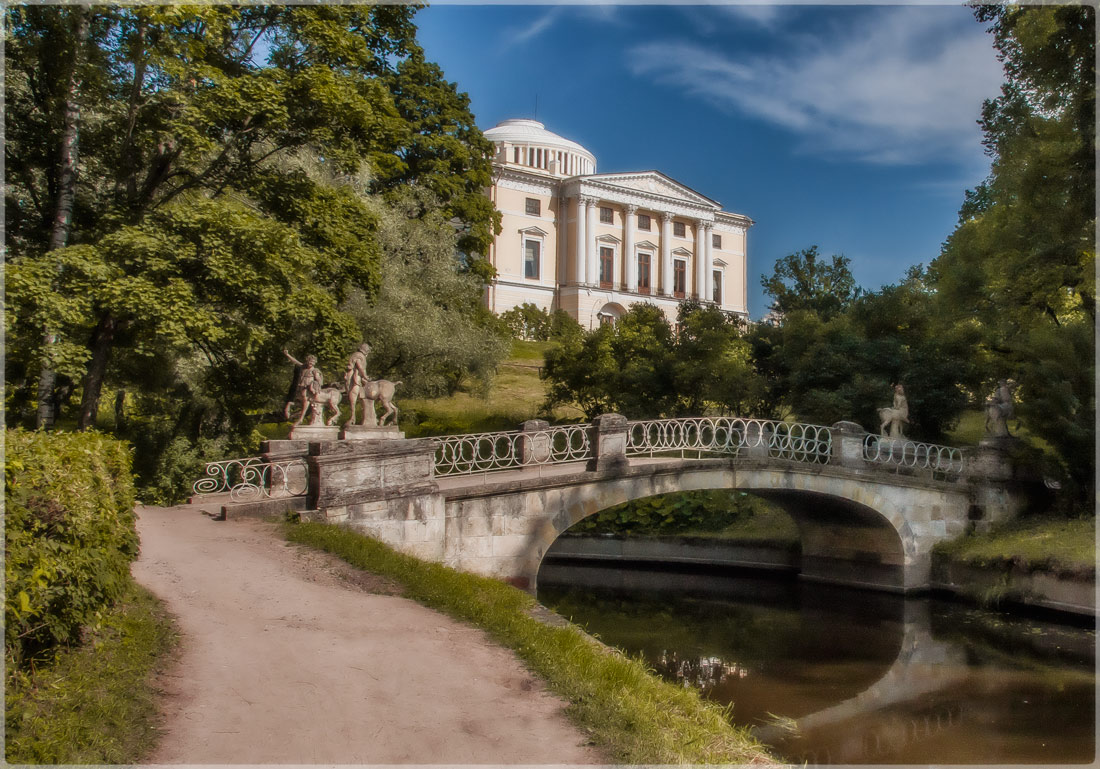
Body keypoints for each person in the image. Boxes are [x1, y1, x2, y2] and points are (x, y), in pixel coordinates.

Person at [284, 349, 323, 424]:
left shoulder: (315, 370)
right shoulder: (303, 367)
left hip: (308, 388)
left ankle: (301, 418)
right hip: (301, 387)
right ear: (307, 361)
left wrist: (315, 385)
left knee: (306, 401)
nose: (311, 363)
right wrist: (287, 355)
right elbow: (295, 361)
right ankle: (289, 409)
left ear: (314, 363)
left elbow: (319, 380)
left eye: (312, 362)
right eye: (309, 361)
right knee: (297, 401)